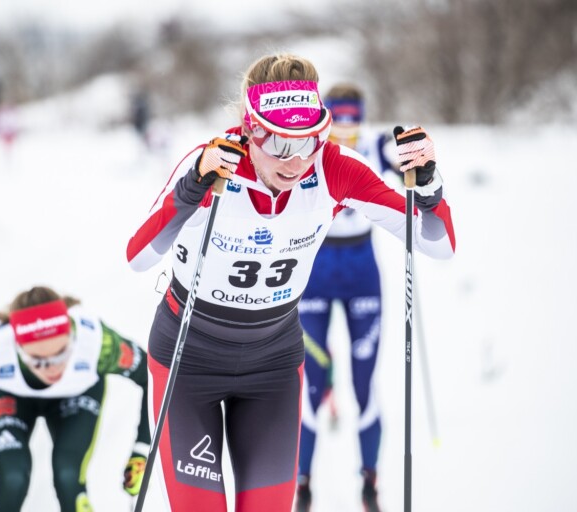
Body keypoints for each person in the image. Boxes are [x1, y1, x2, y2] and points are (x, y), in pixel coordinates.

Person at [126, 52, 456, 512]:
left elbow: (436, 244)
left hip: (272, 364)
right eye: (280, 143)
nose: (296, 160)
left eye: (310, 140)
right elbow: (140, 256)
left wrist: (429, 187)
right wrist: (191, 189)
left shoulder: (334, 167)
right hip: (189, 359)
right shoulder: (214, 163)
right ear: (250, 129)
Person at [0, 286, 151, 511]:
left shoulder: (99, 343)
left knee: (68, 473)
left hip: (75, 394)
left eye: (62, 353)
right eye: (37, 361)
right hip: (10, 395)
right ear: (18, 347)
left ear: (71, 336)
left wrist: (141, 451)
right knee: (13, 478)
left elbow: (153, 376)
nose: (52, 368)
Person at [295, 83, 400, 512]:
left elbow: (403, 162)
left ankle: (369, 481)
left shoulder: (376, 145)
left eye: (353, 120)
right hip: (315, 275)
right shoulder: (313, 149)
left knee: (363, 382)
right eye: (337, 119)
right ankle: (302, 485)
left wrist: (416, 166)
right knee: (310, 384)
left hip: (361, 277)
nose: (345, 129)